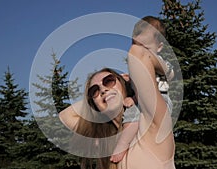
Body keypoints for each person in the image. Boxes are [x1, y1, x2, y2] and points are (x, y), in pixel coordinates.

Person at [59, 16, 176, 169]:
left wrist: (162, 68)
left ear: (123, 84)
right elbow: (65, 116)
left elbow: (138, 52)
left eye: (109, 81)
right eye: (94, 90)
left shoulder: (153, 124)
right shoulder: (108, 142)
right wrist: (99, 98)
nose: (102, 88)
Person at [110, 15, 174, 163]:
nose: (138, 51)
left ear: (159, 47)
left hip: (161, 100)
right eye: (135, 44)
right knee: (133, 115)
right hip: (142, 101)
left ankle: (123, 144)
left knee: (134, 115)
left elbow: (168, 74)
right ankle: (132, 144)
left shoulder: (161, 63)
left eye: (145, 48)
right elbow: (140, 88)